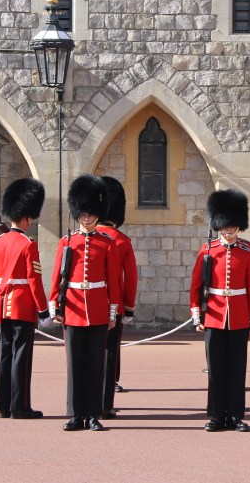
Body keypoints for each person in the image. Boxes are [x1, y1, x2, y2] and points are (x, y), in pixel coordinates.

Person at [49, 174, 122, 432]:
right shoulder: (66, 243)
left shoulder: (107, 243)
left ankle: (93, 414)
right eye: (83, 213)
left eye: (91, 213)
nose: (87, 217)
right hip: (73, 308)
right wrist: (55, 306)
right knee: (74, 364)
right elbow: (58, 276)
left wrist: (113, 311)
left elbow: (113, 281)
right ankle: (74, 414)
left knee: (95, 364)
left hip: (99, 310)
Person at [190, 189, 250, 432]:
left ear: (238, 226)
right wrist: (197, 315)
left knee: (237, 369)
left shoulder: (247, 250)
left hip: (239, 316)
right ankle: (217, 415)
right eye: (224, 226)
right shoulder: (208, 250)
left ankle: (236, 415)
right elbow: (196, 285)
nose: (227, 230)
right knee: (216, 369)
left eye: (231, 226)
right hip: (214, 315)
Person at [0, 178, 51, 419]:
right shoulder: (28, 244)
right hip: (22, 305)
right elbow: (34, 280)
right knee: (21, 357)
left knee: (4, 355)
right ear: (26, 217)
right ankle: (20, 406)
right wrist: (43, 310)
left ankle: (3, 405)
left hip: (1, 303)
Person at [97, 176, 138, 419]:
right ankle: (107, 394)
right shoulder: (121, 240)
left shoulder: (80, 238)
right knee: (110, 351)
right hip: (115, 306)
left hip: (84, 305)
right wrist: (128, 307)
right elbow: (130, 278)